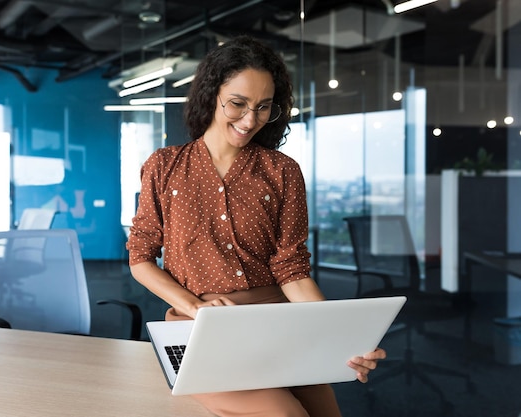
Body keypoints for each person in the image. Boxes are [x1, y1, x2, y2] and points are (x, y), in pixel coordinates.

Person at [126, 35, 386, 417]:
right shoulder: (163, 167)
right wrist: (196, 307)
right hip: (201, 329)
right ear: (212, 94)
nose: (250, 120)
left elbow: (292, 270)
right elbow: (140, 258)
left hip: (277, 323)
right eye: (238, 104)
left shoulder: (282, 171)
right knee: (286, 414)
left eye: (264, 107)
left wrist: (340, 337)